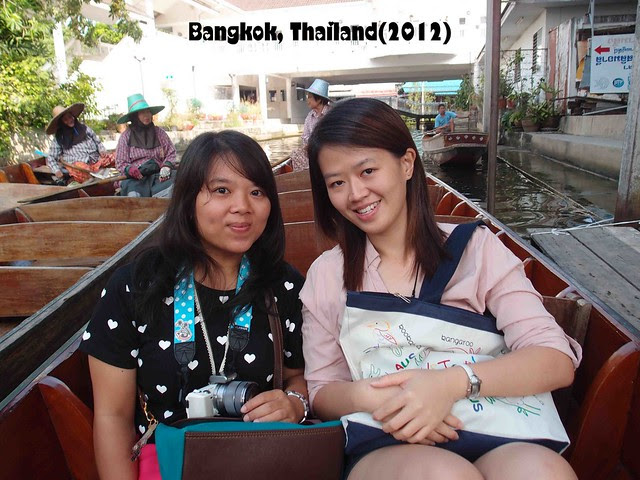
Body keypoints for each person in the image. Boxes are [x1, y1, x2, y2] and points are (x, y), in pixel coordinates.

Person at [300, 98, 581, 480]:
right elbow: (322, 389)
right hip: (388, 440)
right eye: (337, 183)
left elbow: (554, 358)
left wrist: (449, 385)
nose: (356, 193)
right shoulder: (327, 274)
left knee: (543, 473)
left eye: (367, 171)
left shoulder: (477, 249)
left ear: (406, 163)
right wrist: (382, 398)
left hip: (495, 427)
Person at [80, 130, 307, 480]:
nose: (243, 206)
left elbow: (297, 377)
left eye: (257, 192)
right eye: (222, 190)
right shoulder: (136, 286)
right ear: (188, 199)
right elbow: (113, 416)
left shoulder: (283, 284)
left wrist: (294, 404)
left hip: (262, 463)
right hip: (169, 464)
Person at [115, 93, 177, 197]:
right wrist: (129, 169)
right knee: (133, 194)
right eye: (142, 113)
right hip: (136, 178)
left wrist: (167, 166)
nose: (147, 115)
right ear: (135, 116)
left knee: (178, 182)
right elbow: (120, 162)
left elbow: (171, 153)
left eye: (148, 112)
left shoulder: (159, 133)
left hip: (158, 175)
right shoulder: (126, 136)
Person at [45, 103, 112, 184]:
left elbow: (97, 142)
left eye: (70, 117)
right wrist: (56, 170)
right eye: (65, 119)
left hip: (96, 161)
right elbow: (51, 157)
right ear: (61, 123)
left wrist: (101, 150)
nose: (69, 120)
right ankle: (92, 182)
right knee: (84, 170)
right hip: (79, 166)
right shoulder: (59, 138)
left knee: (114, 157)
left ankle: (104, 178)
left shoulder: (84, 128)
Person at [291, 79, 332, 172]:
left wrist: (316, 143)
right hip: (313, 151)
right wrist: (309, 145)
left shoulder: (331, 114)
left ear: (319, 99)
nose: (307, 100)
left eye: (310, 97)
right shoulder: (310, 116)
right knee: (295, 153)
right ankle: (309, 174)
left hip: (329, 150)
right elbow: (305, 136)